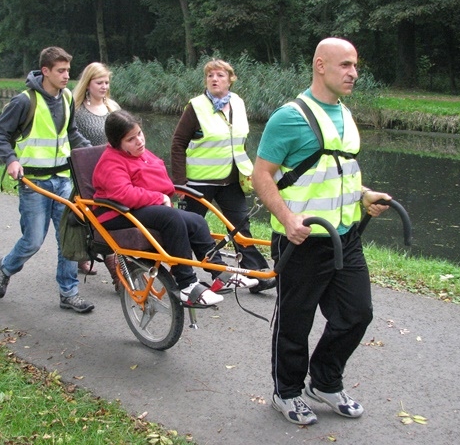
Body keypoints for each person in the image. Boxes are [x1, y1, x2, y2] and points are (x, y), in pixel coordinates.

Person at [252, 37, 391, 425]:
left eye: (355, 66)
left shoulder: (346, 115)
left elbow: (338, 173)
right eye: (345, 65)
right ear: (320, 65)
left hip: (345, 238)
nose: (353, 73)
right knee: (296, 320)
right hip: (302, 240)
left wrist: (364, 196)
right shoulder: (290, 116)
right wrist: (287, 219)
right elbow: (260, 175)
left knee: (357, 313)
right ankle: (287, 391)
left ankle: (325, 382)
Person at [93, 110, 258, 306]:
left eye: (139, 133)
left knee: (196, 220)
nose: (139, 141)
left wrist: (162, 195)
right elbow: (123, 194)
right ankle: (186, 284)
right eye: (131, 139)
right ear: (117, 144)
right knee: (170, 218)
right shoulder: (111, 161)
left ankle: (220, 273)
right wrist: (158, 196)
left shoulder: (140, 153)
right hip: (115, 212)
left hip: (141, 206)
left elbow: (162, 183)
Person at [0, 46, 95, 314]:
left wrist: (93, 154)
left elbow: (71, 134)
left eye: (68, 71)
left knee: (68, 240)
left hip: (63, 180)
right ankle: (5, 266)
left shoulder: (68, 97)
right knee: (33, 240)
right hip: (34, 184)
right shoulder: (24, 101)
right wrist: (12, 160)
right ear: (45, 71)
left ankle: (69, 293)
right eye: (60, 71)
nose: (66, 76)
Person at [171, 59, 275, 294]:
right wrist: (179, 182)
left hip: (231, 180)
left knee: (240, 226)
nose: (214, 80)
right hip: (199, 182)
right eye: (210, 76)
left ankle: (257, 275)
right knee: (188, 229)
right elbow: (178, 143)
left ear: (230, 79)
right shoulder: (196, 106)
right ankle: (184, 276)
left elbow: (240, 140)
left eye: (219, 75)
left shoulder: (237, 102)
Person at [72, 62, 121, 280]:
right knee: (84, 216)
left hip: (113, 170)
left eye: (106, 82)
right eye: (99, 82)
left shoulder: (113, 107)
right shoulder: (78, 110)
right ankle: (83, 256)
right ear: (88, 83)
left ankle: (115, 265)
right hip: (86, 171)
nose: (103, 86)